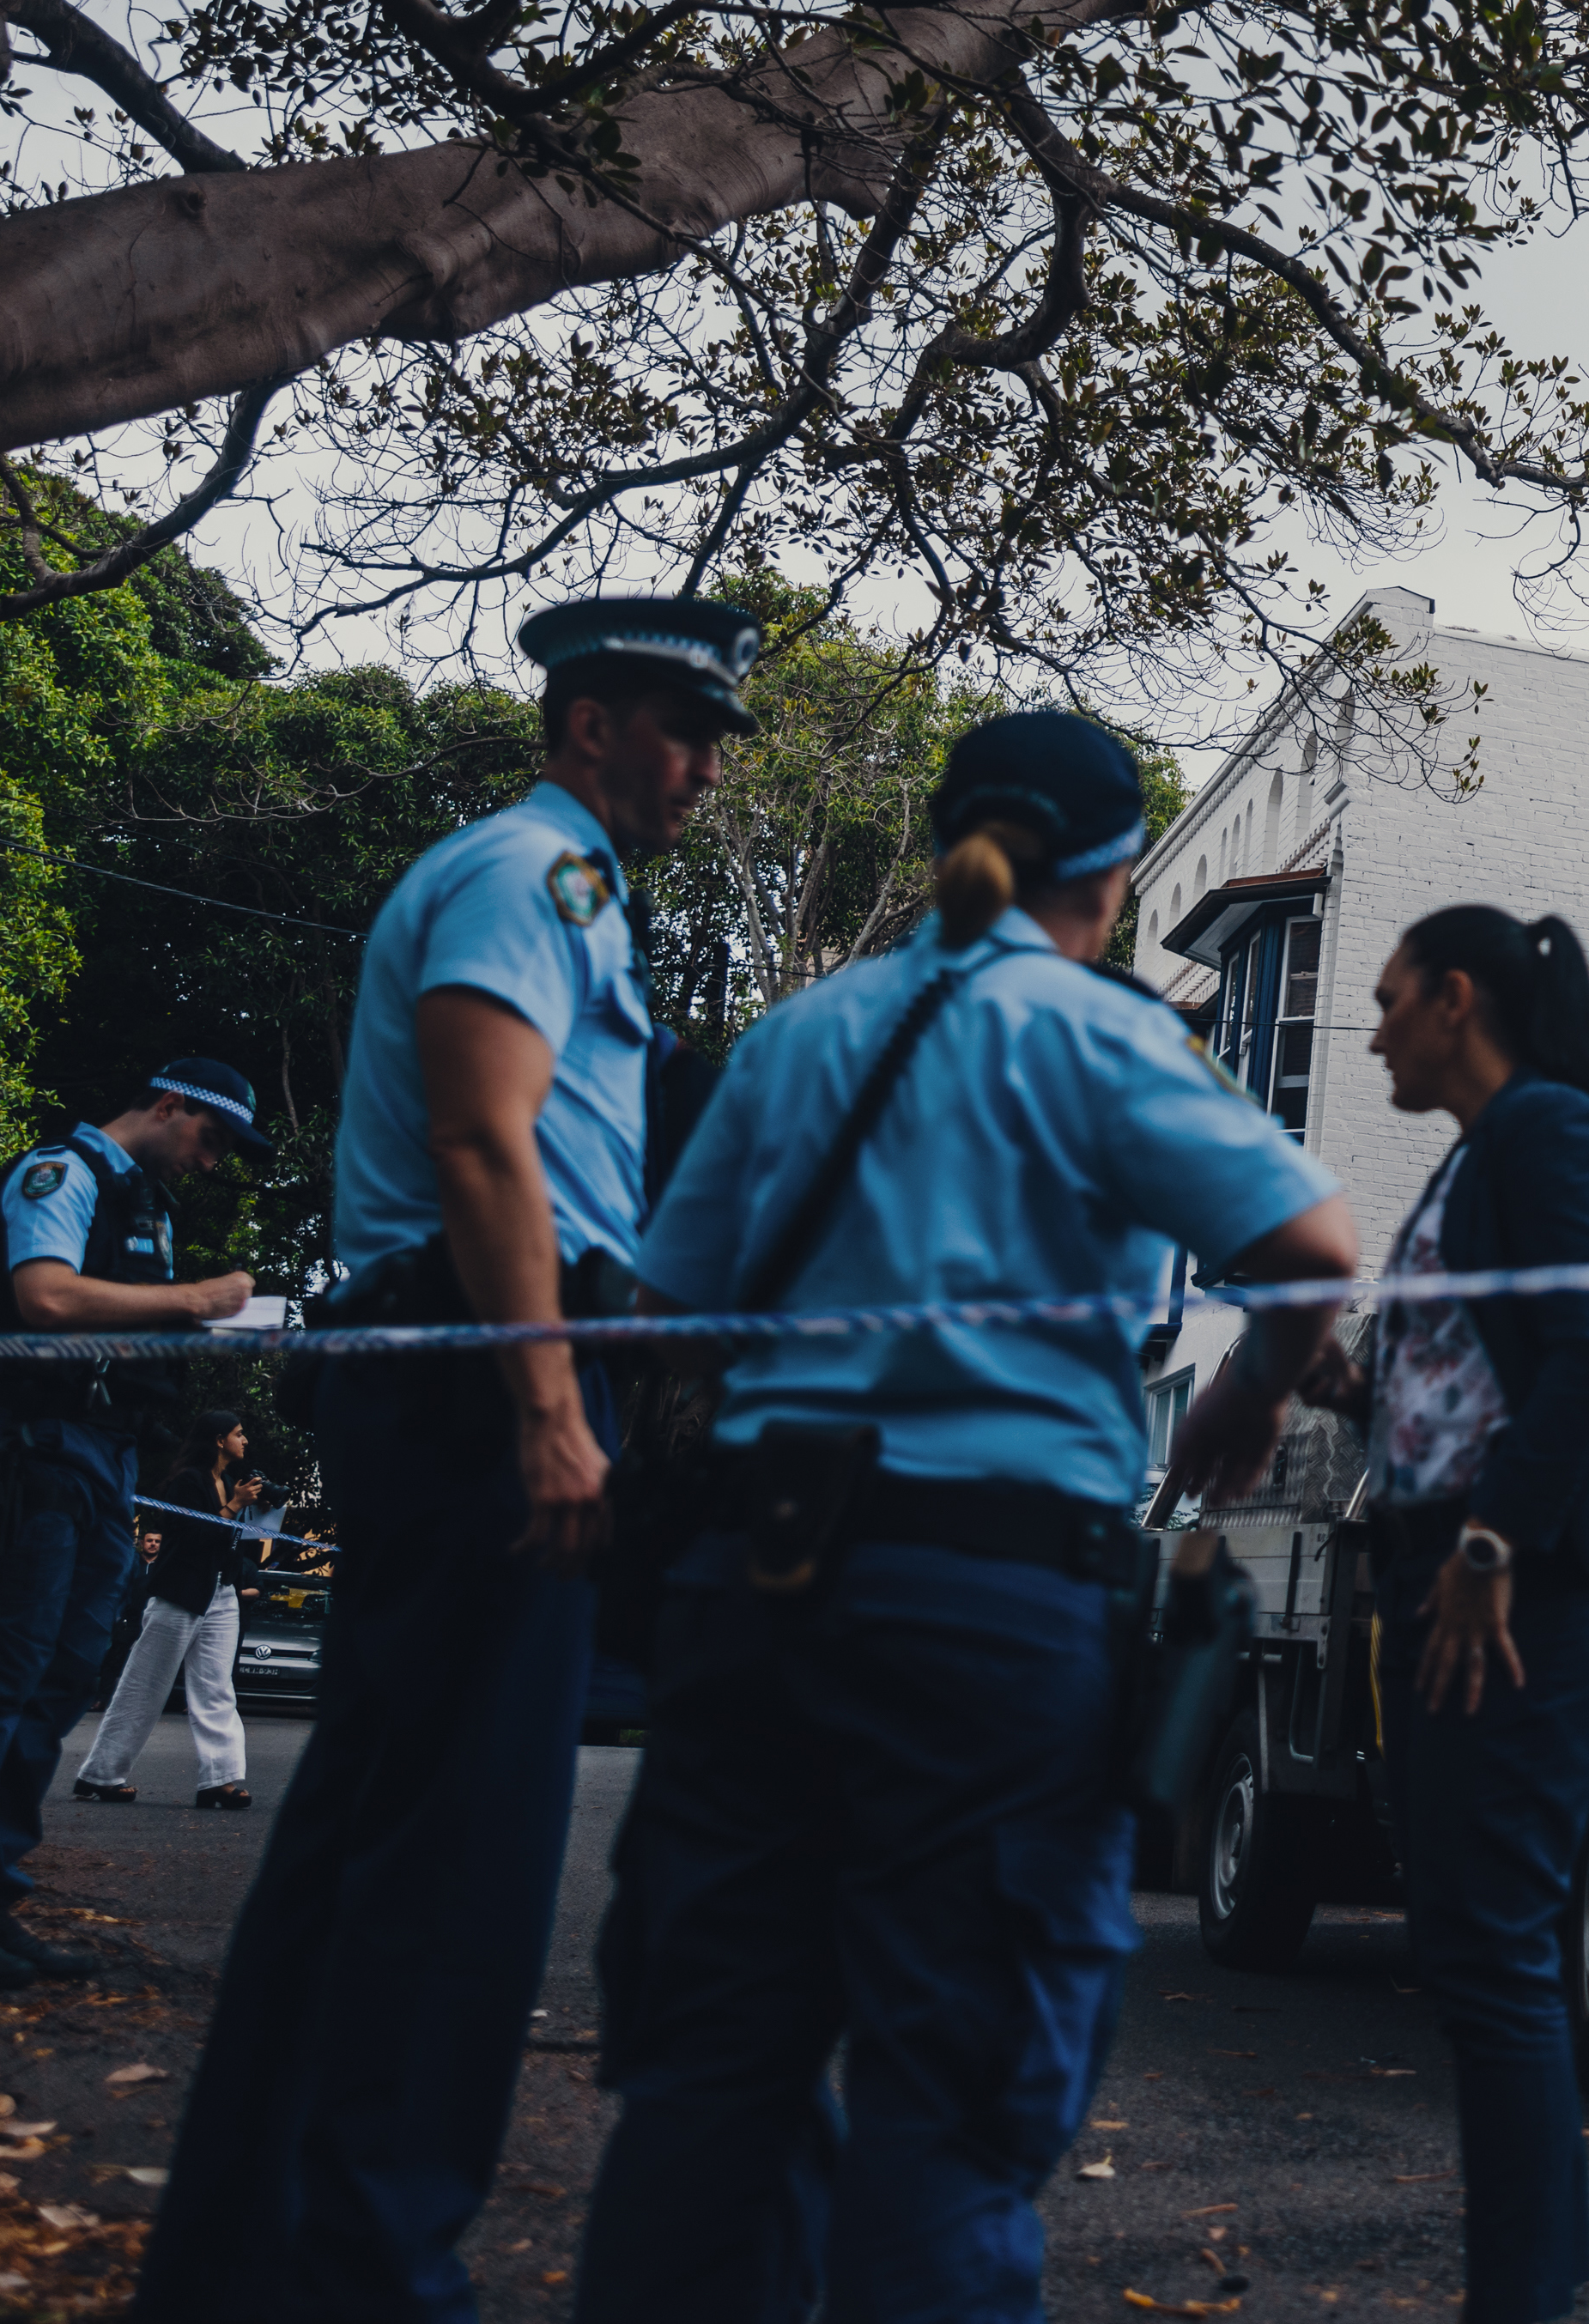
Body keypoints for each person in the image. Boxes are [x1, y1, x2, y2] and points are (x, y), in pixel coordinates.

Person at [577, 712, 1356, 2324]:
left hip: (757, 1577)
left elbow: (669, 1304)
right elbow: (1308, 1248)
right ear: (1115, 876)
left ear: (947, 841)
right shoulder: (1093, 1029)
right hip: (988, 1607)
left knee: (710, 2078)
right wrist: (1249, 1396)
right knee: (954, 2094)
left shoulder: (801, 1036)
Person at [140, 597, 749, 2322]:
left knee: (362, 1836)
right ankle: (377, 2269)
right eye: (681, 726)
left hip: (476, 1362)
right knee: (461, 1866)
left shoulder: (569, 888)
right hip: (488, 1370)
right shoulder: (528, 876)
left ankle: (245, 2258)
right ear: (586, 724)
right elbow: (490, 1141)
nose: (706, 765)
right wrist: (554, 1408)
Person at [1169, 904, 1589, 2324]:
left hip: (1537, 1589)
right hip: (1445, 1570)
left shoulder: (1552, 1133)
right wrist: (1320, 1380)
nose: (1372, 1027)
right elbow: (1462, 1385)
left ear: (1458, 998)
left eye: (1387, 999)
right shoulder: (1476, 1159)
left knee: (1494, 1942)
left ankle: (1524, 2295)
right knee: (1473, 1941)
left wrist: (1497, 1540)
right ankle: (1538, 2279)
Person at [0, 1059, 259, 1991]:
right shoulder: (58, 1172)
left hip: (108, 1459)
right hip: (34, 1452)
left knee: (64, 1676)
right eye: (211, 1137)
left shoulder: (153, 1210)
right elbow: (47, 1296)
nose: (212, 1161)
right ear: (170, 1105)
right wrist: (195, 1301)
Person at [73, 1414, 266, 1810]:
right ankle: (101, 1775)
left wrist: (241, 1508)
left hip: (221, 1593)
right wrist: (232, 1508)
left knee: (216, 1687)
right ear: (217, 1440)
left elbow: (226, 1540)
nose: (244, 1440)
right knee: (145, 1685)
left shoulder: (230, 1483)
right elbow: (190, 1536)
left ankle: (222, 1779)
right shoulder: (188, 1482)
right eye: (238, 1434)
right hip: (179, 1593)